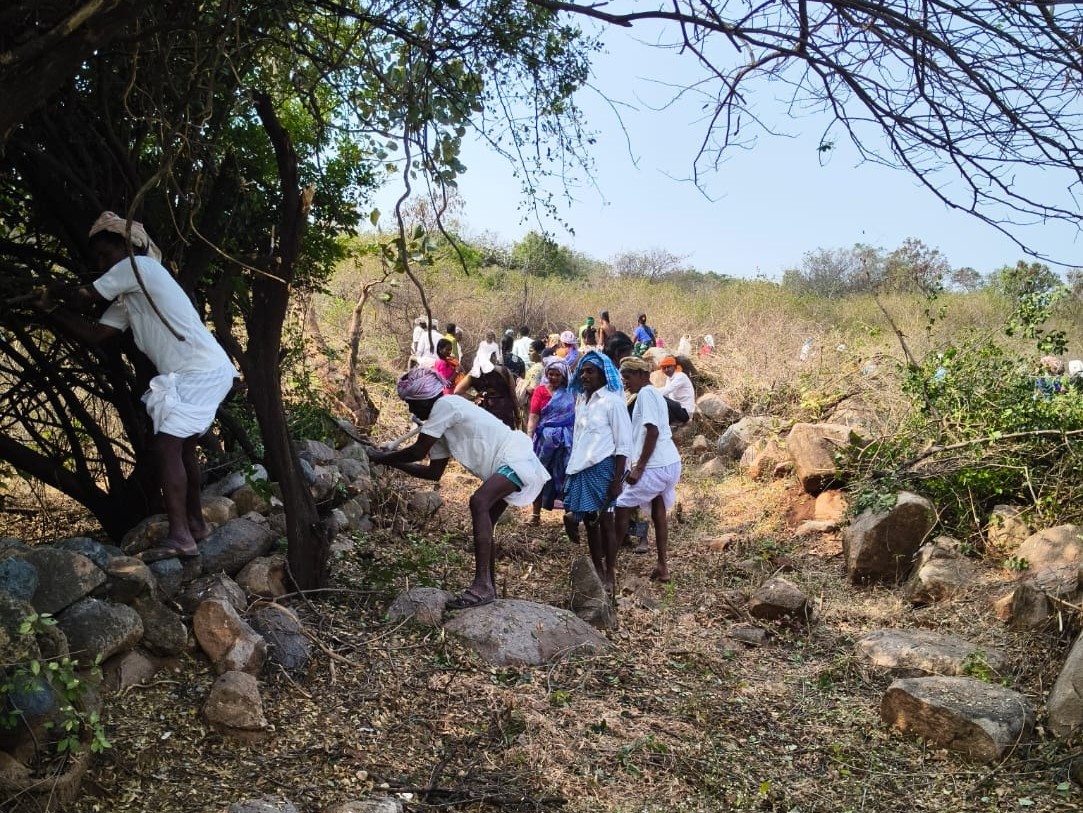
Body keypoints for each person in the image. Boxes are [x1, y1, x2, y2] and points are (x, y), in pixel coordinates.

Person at [33, 212, 237, 561]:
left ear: (126, 245)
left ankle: (181, 536)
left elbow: (83, 297)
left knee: (166, 449)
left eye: (104, 254)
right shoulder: (130, 295)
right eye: (96, 259)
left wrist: (52, 291)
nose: (100, 264)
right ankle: (196, 526)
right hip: (204, 370)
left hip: (199, 371)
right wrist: (49, 310)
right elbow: (97, 333)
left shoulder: (138, 267)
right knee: (182, 449)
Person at [367, 368, 549, 609]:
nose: (411, 411)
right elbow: (434, 472)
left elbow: (418, 451)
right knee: (487, 517)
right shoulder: (438, 424)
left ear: (426, 399)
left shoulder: (446, 405)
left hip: (514, 457)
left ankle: (483, 585)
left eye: (413, 404)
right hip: (509, 462)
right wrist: (393, 461)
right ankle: (489, 585)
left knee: (479, 502)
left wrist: (384, 458)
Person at [563, 350, 631, 592]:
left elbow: (624, 443)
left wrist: (618, 479)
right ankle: (597, 570)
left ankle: (610, 573)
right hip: (581, 466)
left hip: (604, 466)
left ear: (603, 375)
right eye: (582, 371)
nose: (584, 375)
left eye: (590, 371)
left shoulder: (612, 402)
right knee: (590, 522)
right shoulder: (581, 401)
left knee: (606, 521)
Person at [615, 356, 682, 583]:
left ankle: (608, 567)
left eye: (628, 376)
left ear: (642, 375)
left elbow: (652, 432)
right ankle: (662, 566)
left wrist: (639, 468)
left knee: (622, 505)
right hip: (669, 461)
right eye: (623, 376)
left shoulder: (645, 394)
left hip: (656, 465)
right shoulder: (653, 394)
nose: (625, 381)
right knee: (658, 509)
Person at [527, 357, 575, 525]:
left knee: (566, 474)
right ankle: (535, 514)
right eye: (550, 374)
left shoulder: (571, 392)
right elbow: (534, 416)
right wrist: (529, 436)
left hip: (567, 439)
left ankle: (570, 515)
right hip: (544, 441)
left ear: (563, 376)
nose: (553, 377)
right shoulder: (540, 391)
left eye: (557, 375)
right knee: (540, 473)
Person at [455, 350, 519, 429]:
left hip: (485, 413)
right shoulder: (504, 371)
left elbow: (457, 391)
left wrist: (475, 397)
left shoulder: (474, 373)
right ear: (492, 357)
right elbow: (513, 396)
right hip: (505, 412)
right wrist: (517, 415)